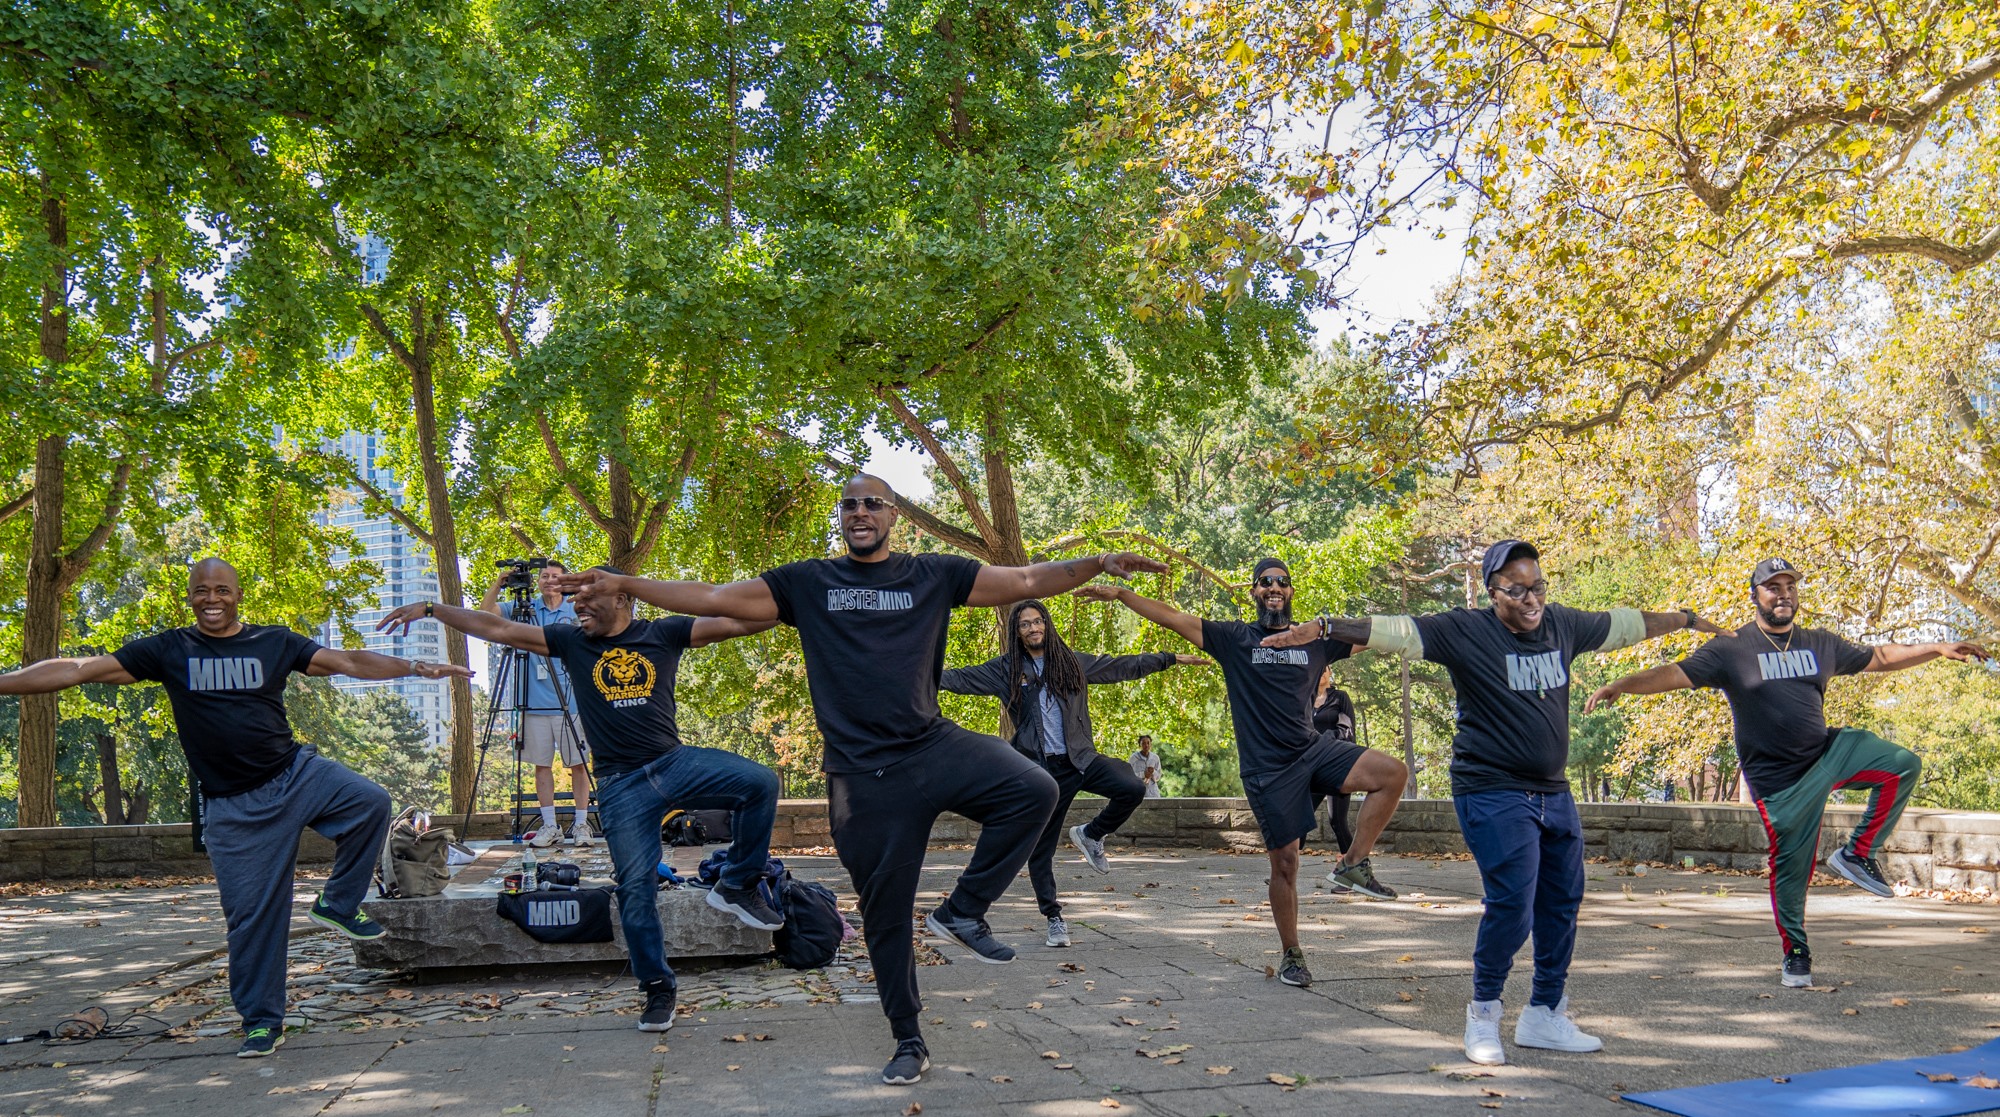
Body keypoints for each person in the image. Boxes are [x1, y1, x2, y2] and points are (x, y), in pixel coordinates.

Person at [553, 474, 1167, 1086]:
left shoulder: (933, 575)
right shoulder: (807, 583)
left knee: (1034, 789)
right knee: (885, 917)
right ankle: (909, 1038)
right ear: (841, 517)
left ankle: (962, 910)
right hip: (861, 777)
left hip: (931, 745)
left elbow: (1029, 580)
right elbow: (715, 596)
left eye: (873, 502)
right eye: (850, 504)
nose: (861, 511)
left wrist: (1101, 560)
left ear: (894, 515)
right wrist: (627, 583)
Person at [1261, 540, 1725, 1065]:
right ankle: (1483, 1015)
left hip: (1554, 792)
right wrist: (1325, 627)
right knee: (1513, 902)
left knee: (1562, 901)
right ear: (1493, 592)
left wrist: (1685, 618)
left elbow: (1625, 624)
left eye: (1538, 588)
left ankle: (1545, 1014)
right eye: (1518, 590)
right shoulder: (1468, 631)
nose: (1531, 600)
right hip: (1490, 789)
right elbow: (1395, 631)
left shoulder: (1562, 625)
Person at [0, 558, 471, 1058]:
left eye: (221, 590)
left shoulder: (273, 642)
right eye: (201, 591)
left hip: (294, 775)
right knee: (252, 920)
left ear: (237, 595)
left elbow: (348, 662)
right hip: (232, 806)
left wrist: (418, 667)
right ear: (190, 596)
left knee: (369, 801)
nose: (211, 599)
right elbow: (77, 669)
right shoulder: (169, 649)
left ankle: (337, 903)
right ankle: (262, 1022)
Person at [380, 567, 781, 1035]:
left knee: (760, 783)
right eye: (576, 604)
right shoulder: (572, 642)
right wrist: (433, 609)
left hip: (673, 763)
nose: (578, 608)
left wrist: (797, 603)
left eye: (589, 600)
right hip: (620, 784)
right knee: (635, 890)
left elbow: (744, 620)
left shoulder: (664, 632)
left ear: (622, 598)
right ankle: (657, 987)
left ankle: (736, 883)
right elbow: (499, 627)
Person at [1586, 557, 1989, 989]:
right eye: (1773, 587)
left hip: (1827, 753)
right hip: (1781, 784)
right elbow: (1675, 673)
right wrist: (1621, 684)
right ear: (1755, 594)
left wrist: (1937, 649)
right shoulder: (1732, 647)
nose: (1784, 594)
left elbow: (1881, 656)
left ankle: (1856, 853)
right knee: (1791, 873)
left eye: (1790, 586)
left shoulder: (1819, 644)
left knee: (1902, 765)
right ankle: (1796, 952)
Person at [1075, 556, 1410, 990]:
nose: (1274, 587)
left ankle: (1352, 863)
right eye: (1265, 582)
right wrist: (1122, 594)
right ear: (1253, 592)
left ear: (1290, 592)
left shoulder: (1313, 640)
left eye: (1282, 582)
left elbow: (1372, 635)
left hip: (1312, 750)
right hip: (1268, 770)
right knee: (1286, 862)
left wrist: (1395, 629)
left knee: (1393, 773)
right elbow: (1174, 618)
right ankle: (1292, 954)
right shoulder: (1235, 638)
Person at [940, 599, 1204, 947]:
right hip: (1042, 772)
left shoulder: (1071, 662)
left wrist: (1167, 659)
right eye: (1025, 624)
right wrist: (909, 674)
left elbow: (1119, 667)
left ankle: (1091, 834)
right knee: (1040, 850)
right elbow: (956, 678)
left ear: (1046, 625)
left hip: (1081, 760)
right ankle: (1054, 918)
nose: (1033, 628)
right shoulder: (1005, 670)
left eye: (1038, 622)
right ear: (1016, 631)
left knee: (1131, 787)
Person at [478, 560, 594, 846]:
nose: (549, 580)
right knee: (540, 765)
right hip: (534, 702)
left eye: (556, 576)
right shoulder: (521, 609)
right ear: (537, 581)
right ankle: (550, 825)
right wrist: (499, 584)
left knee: (578, 764)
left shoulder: (575, 608)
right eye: (544, 576)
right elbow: (484, 614)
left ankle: (581, 825)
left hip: (573, 701)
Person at [1312, 669, 1363, 895]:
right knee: (1298, 817)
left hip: (1337, 765)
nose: (1321, 672)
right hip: (1311, 769)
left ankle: (1352, 875)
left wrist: (1321, 741)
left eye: (1325, 668)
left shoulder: (1339, 698)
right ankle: (1284, 871)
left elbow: (1346, 731)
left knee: (1337, 821)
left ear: (1330, 673)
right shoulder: (1304, 698)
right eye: (1317, 667)